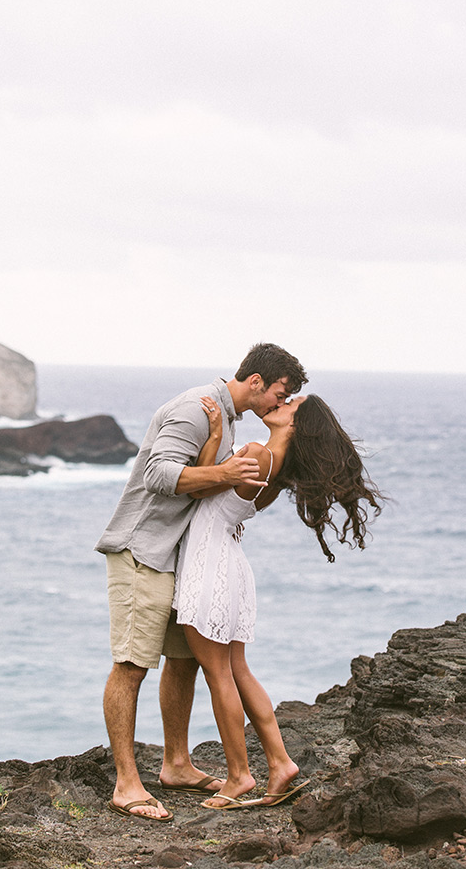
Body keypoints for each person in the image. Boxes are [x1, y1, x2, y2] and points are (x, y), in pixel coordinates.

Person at [95, 343, 308, 821]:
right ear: (256, 381)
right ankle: (127, 784)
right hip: (143, 550)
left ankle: (177, 765)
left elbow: (215, 490)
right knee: (131, 665)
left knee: (185, 660)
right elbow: (159, 474)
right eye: (279, 392)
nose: (279, 403)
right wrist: (226, 469)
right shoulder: (198, 410)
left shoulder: (227, 420)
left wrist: (223, 469)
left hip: (182, 556)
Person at [173, 392, 384, 809]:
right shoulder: (279, 464)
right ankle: (279, 762)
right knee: (236, 669)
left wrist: (215, 433)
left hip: (209, 562)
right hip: (229, 562)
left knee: (218, 674)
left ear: (297, 423)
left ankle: (238, 776)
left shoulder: (256, 453)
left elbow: (199, 487)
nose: (279, 403)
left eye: (291, 404)